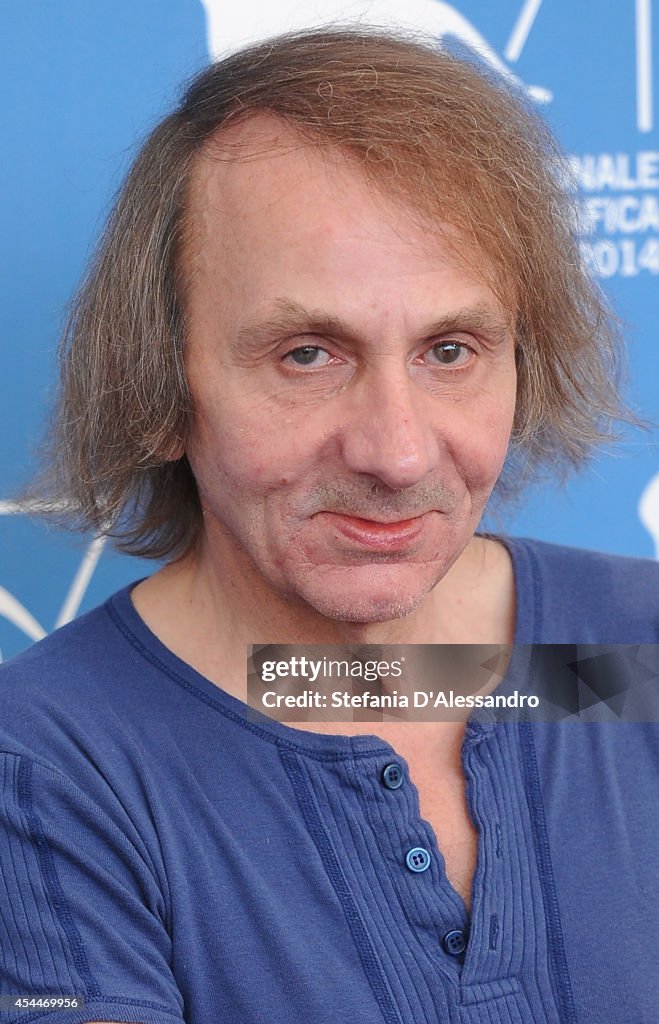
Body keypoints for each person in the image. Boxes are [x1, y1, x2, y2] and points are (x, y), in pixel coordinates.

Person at [1, 26, 657, 1024]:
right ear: (165, 386)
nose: (394, 454)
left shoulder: (625, 662)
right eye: (307, 354)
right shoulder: (53, 765)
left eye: (449, 349)